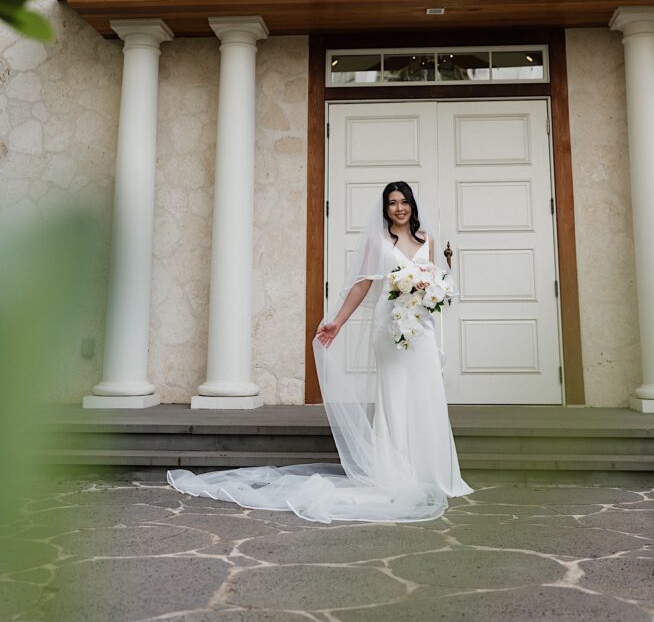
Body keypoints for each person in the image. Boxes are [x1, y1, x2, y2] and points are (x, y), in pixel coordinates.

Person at [167, 181, 473, 522]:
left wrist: (433, 294)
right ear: (385, 208)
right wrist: (337, 323)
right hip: (390, 328)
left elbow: (431, 280)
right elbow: (362, 285)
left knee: (426, 393)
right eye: (392, 203)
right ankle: (397, 471)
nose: (399, 208)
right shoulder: (378, 241)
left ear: (413, 206)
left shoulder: (427, 240)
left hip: (422, 328)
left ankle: (434, 473)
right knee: (397, 397)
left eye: (404, 202)